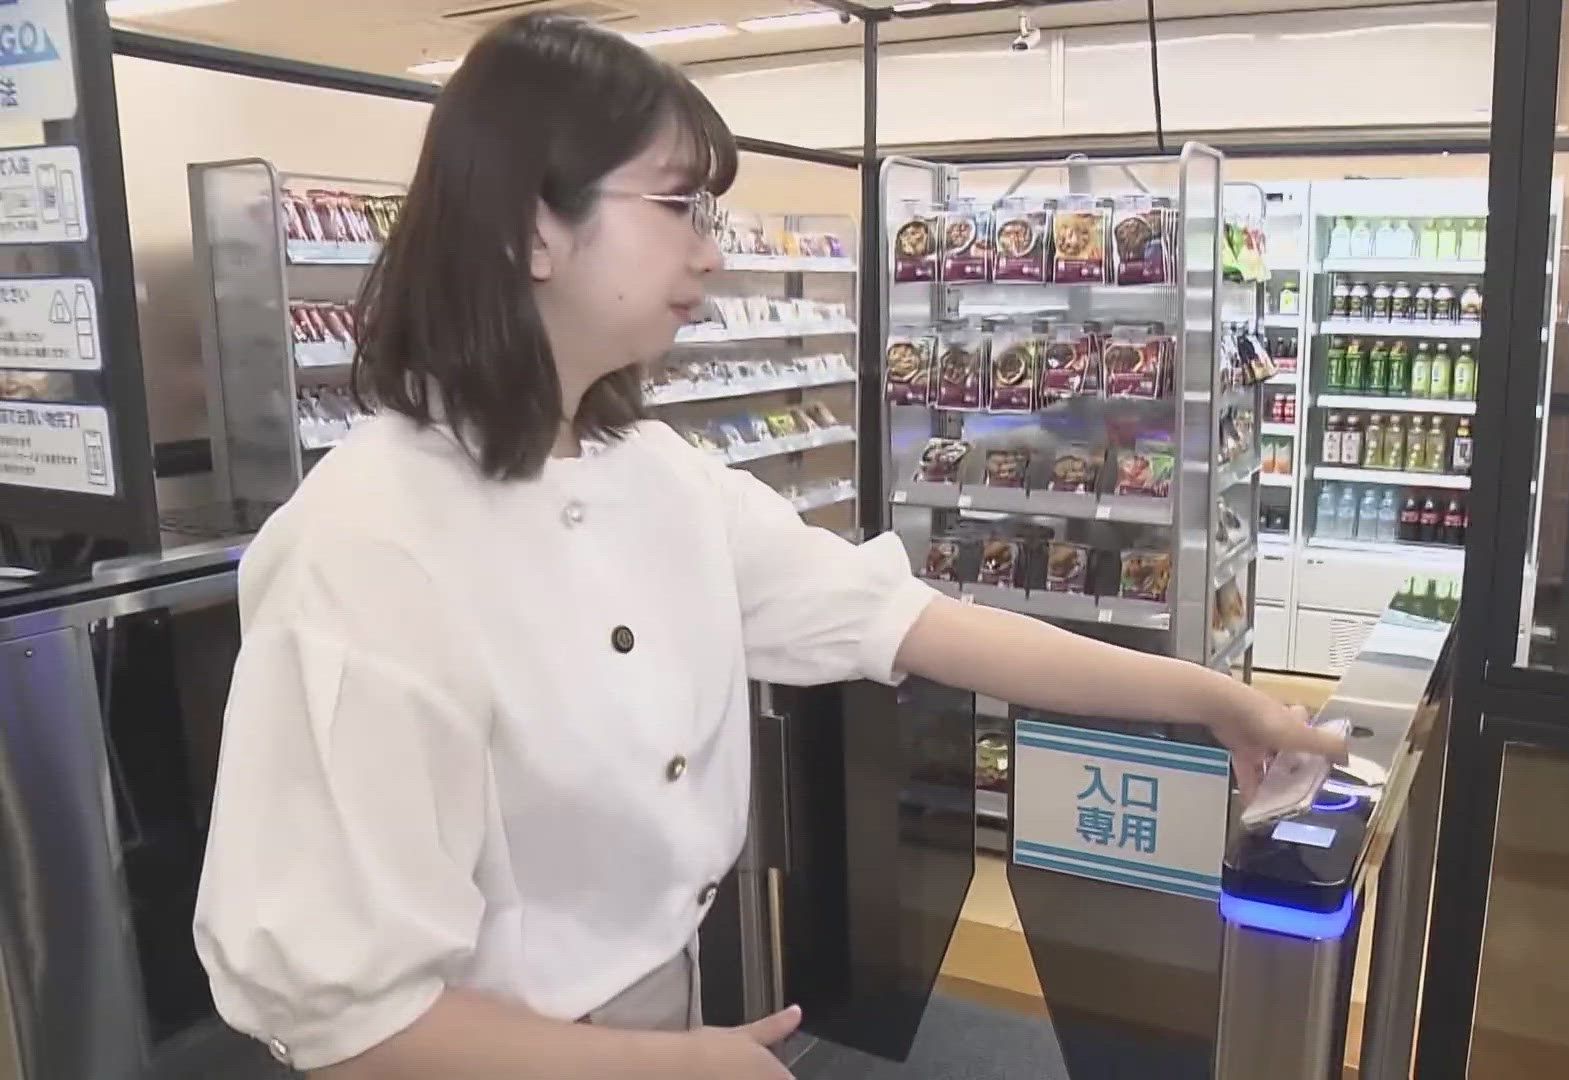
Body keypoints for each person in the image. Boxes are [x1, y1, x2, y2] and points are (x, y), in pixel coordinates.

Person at [192, 13, 1342, 1080]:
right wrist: (676, 1066)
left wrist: (1211, 701)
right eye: (678, 206)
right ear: (534, 228)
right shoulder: (363, 549)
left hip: (666, 1018)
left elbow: (924, 625)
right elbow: (352, 1026)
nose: (711, 253)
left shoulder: (659, 479)